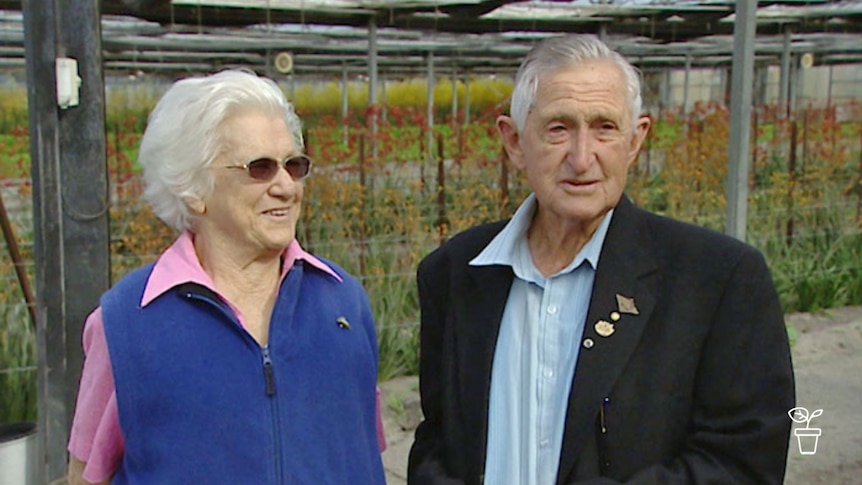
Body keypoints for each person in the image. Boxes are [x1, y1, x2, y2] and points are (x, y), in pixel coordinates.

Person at [407, 35, 795, 485]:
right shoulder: (455, 273)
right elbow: (437, 439)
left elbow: (747, 459)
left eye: (605, 128)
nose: (581, 157)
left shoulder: (717, 279)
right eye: (558, 128)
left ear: (635, 141)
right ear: (514, 142)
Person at [67, 69, 386, 484]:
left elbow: (363, 456)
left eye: (294, 165)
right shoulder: (126, 323)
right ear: (193, 189)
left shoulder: (344, 304)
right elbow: (84, 477)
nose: (287, 187)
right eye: (260, 168)